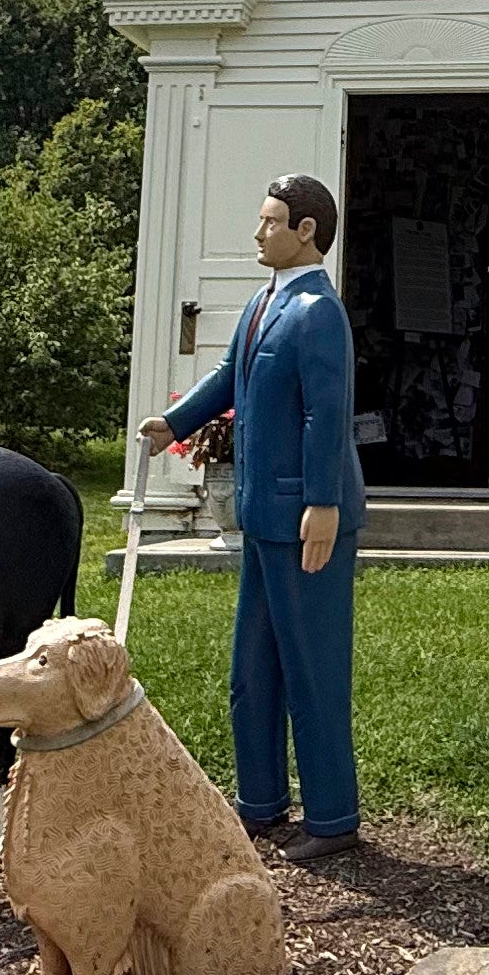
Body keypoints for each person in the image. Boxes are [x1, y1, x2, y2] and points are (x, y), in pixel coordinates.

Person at [141, 175, 367, 863]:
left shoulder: (319, 314)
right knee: (254, 668)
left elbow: (325, 414)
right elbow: (227, 378)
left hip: (307, 516)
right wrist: (173, 424)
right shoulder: (261, 304)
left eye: (270, 222)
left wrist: (323, 502)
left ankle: (332, 816)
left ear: (306, 231)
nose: (258, 233)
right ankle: (260, 802)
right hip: (264, 516)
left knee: (313, 669)